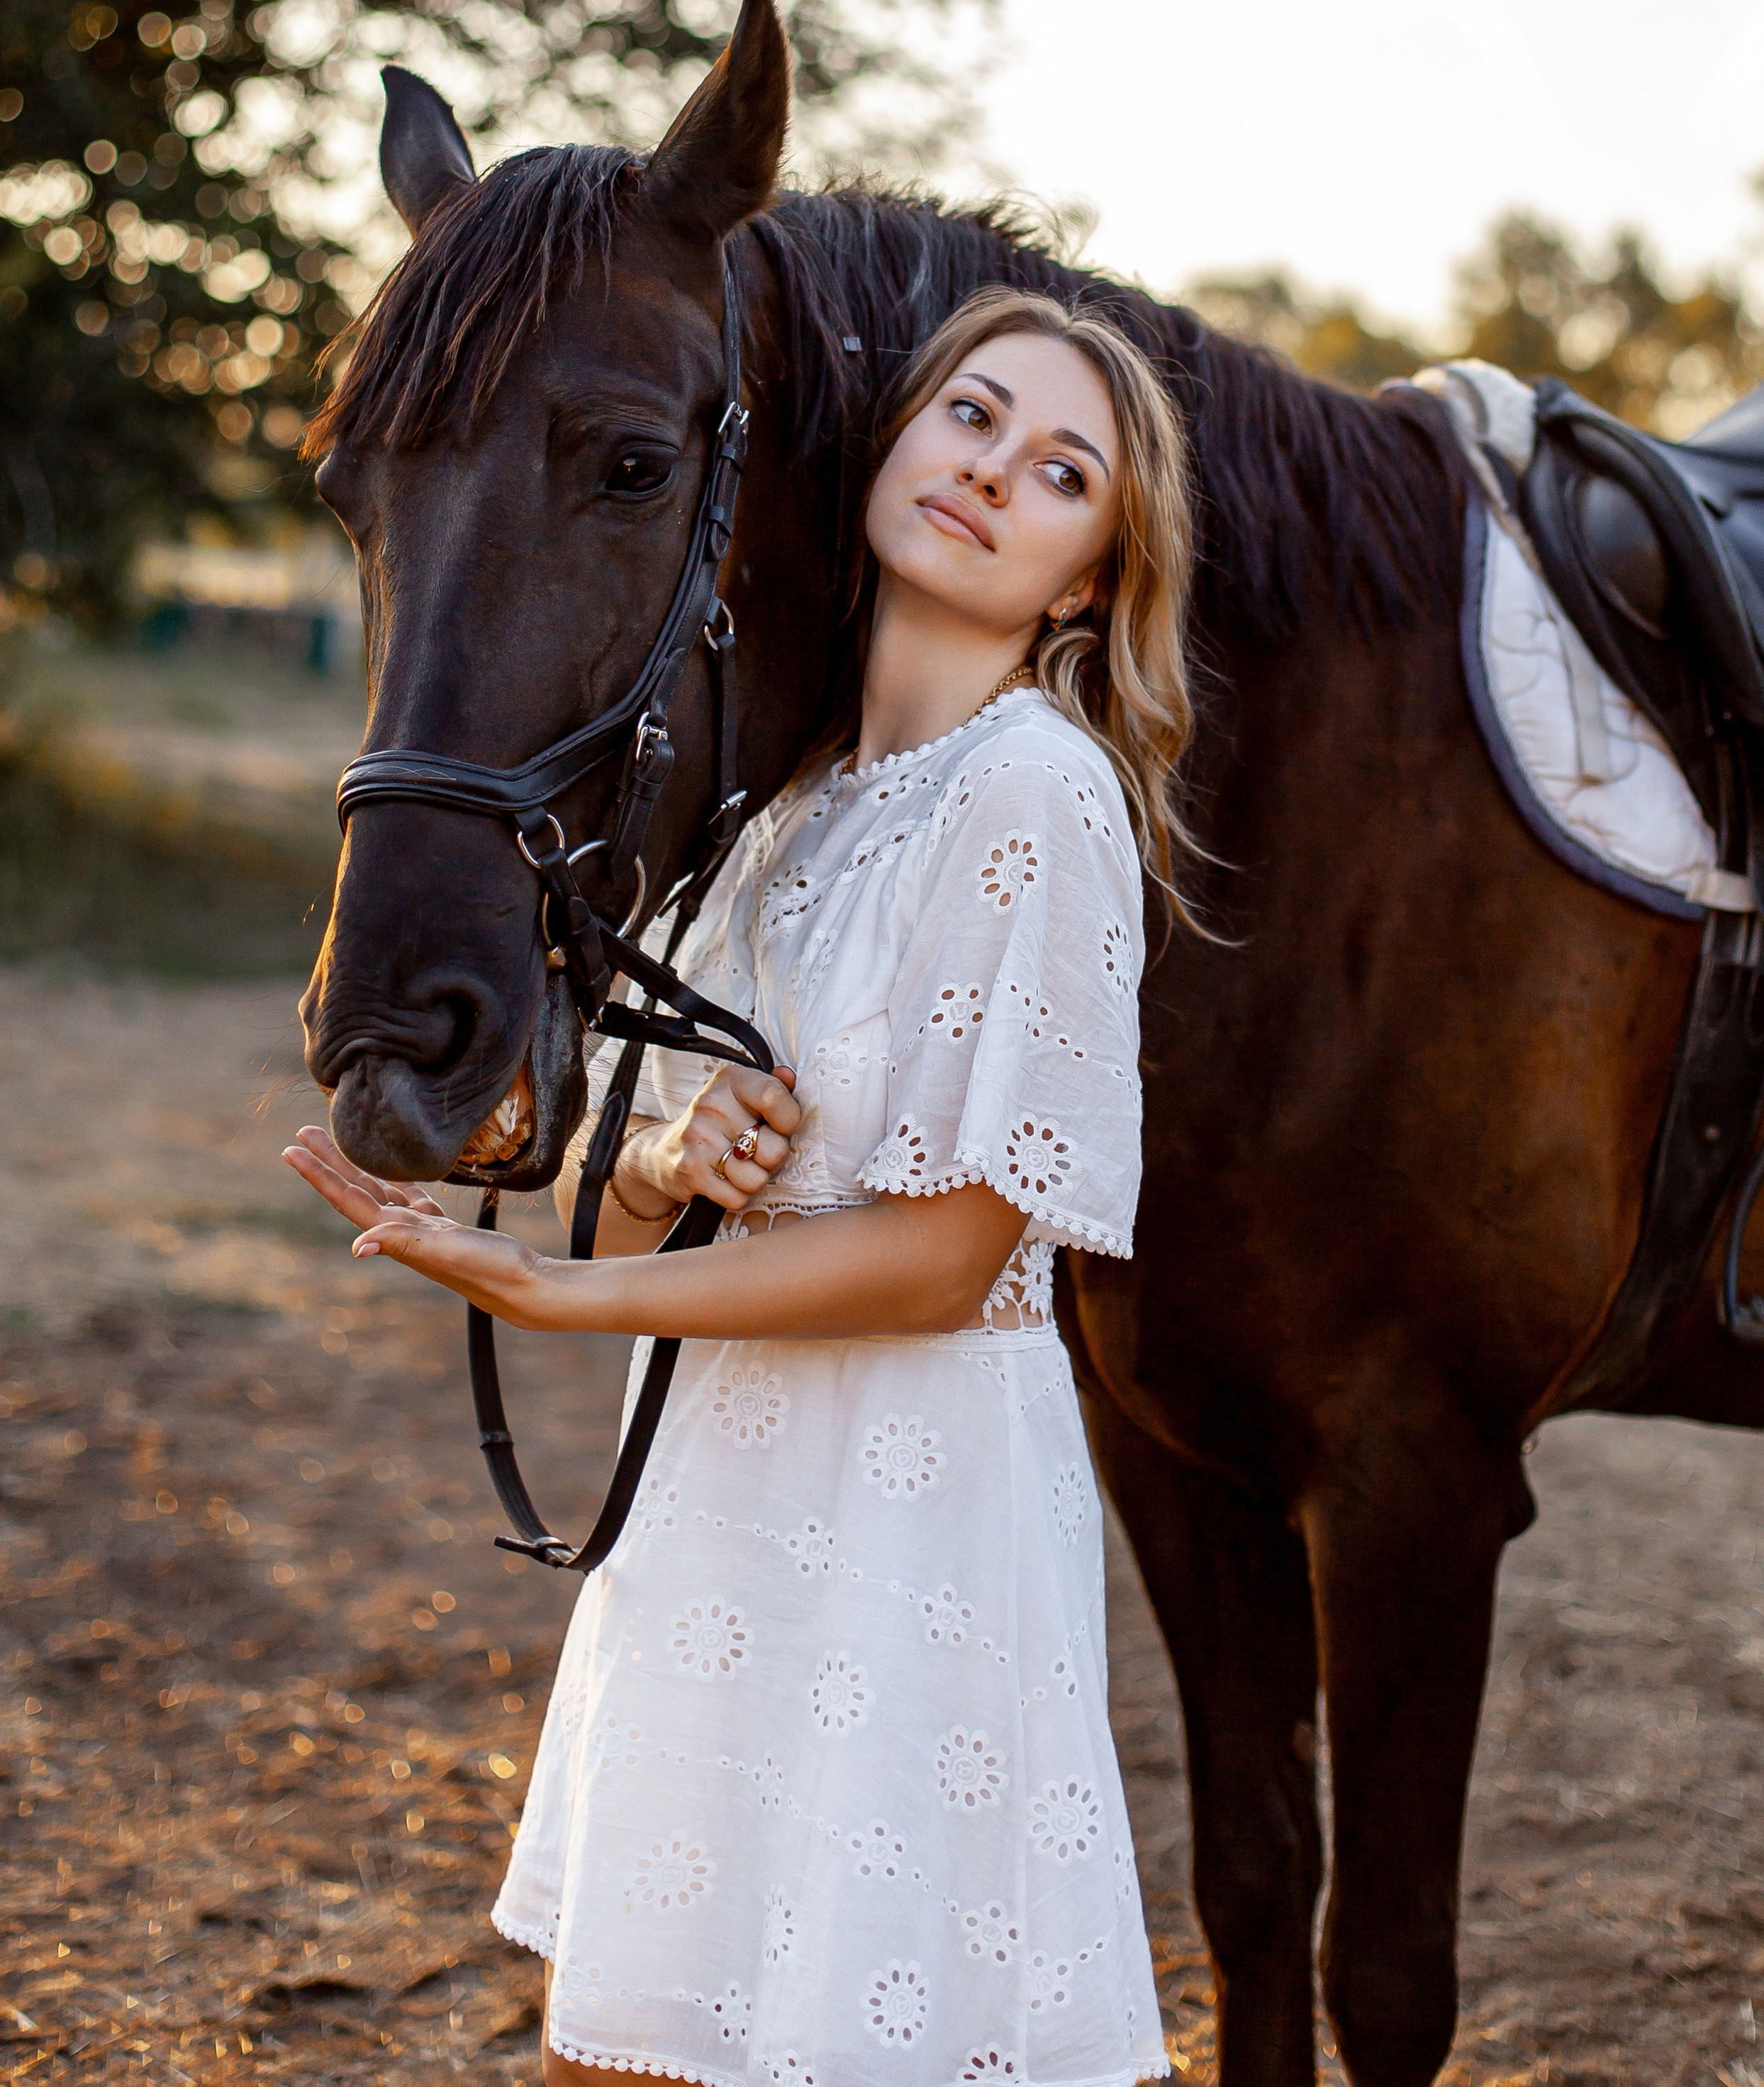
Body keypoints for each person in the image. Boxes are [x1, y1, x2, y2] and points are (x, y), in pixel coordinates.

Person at [288, 284, 1196, 2087]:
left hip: (907, 1523)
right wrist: (655, 1159)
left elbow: (950, 1263)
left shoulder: (1039, 794)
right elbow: (629, 1194)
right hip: (721, 1505)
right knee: (636, 2042)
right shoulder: (775, 812)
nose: (993, 471)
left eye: (1059, 470)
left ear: (1089, 577)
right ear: (891, 442)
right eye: (971, 418)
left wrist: (579, 1299)